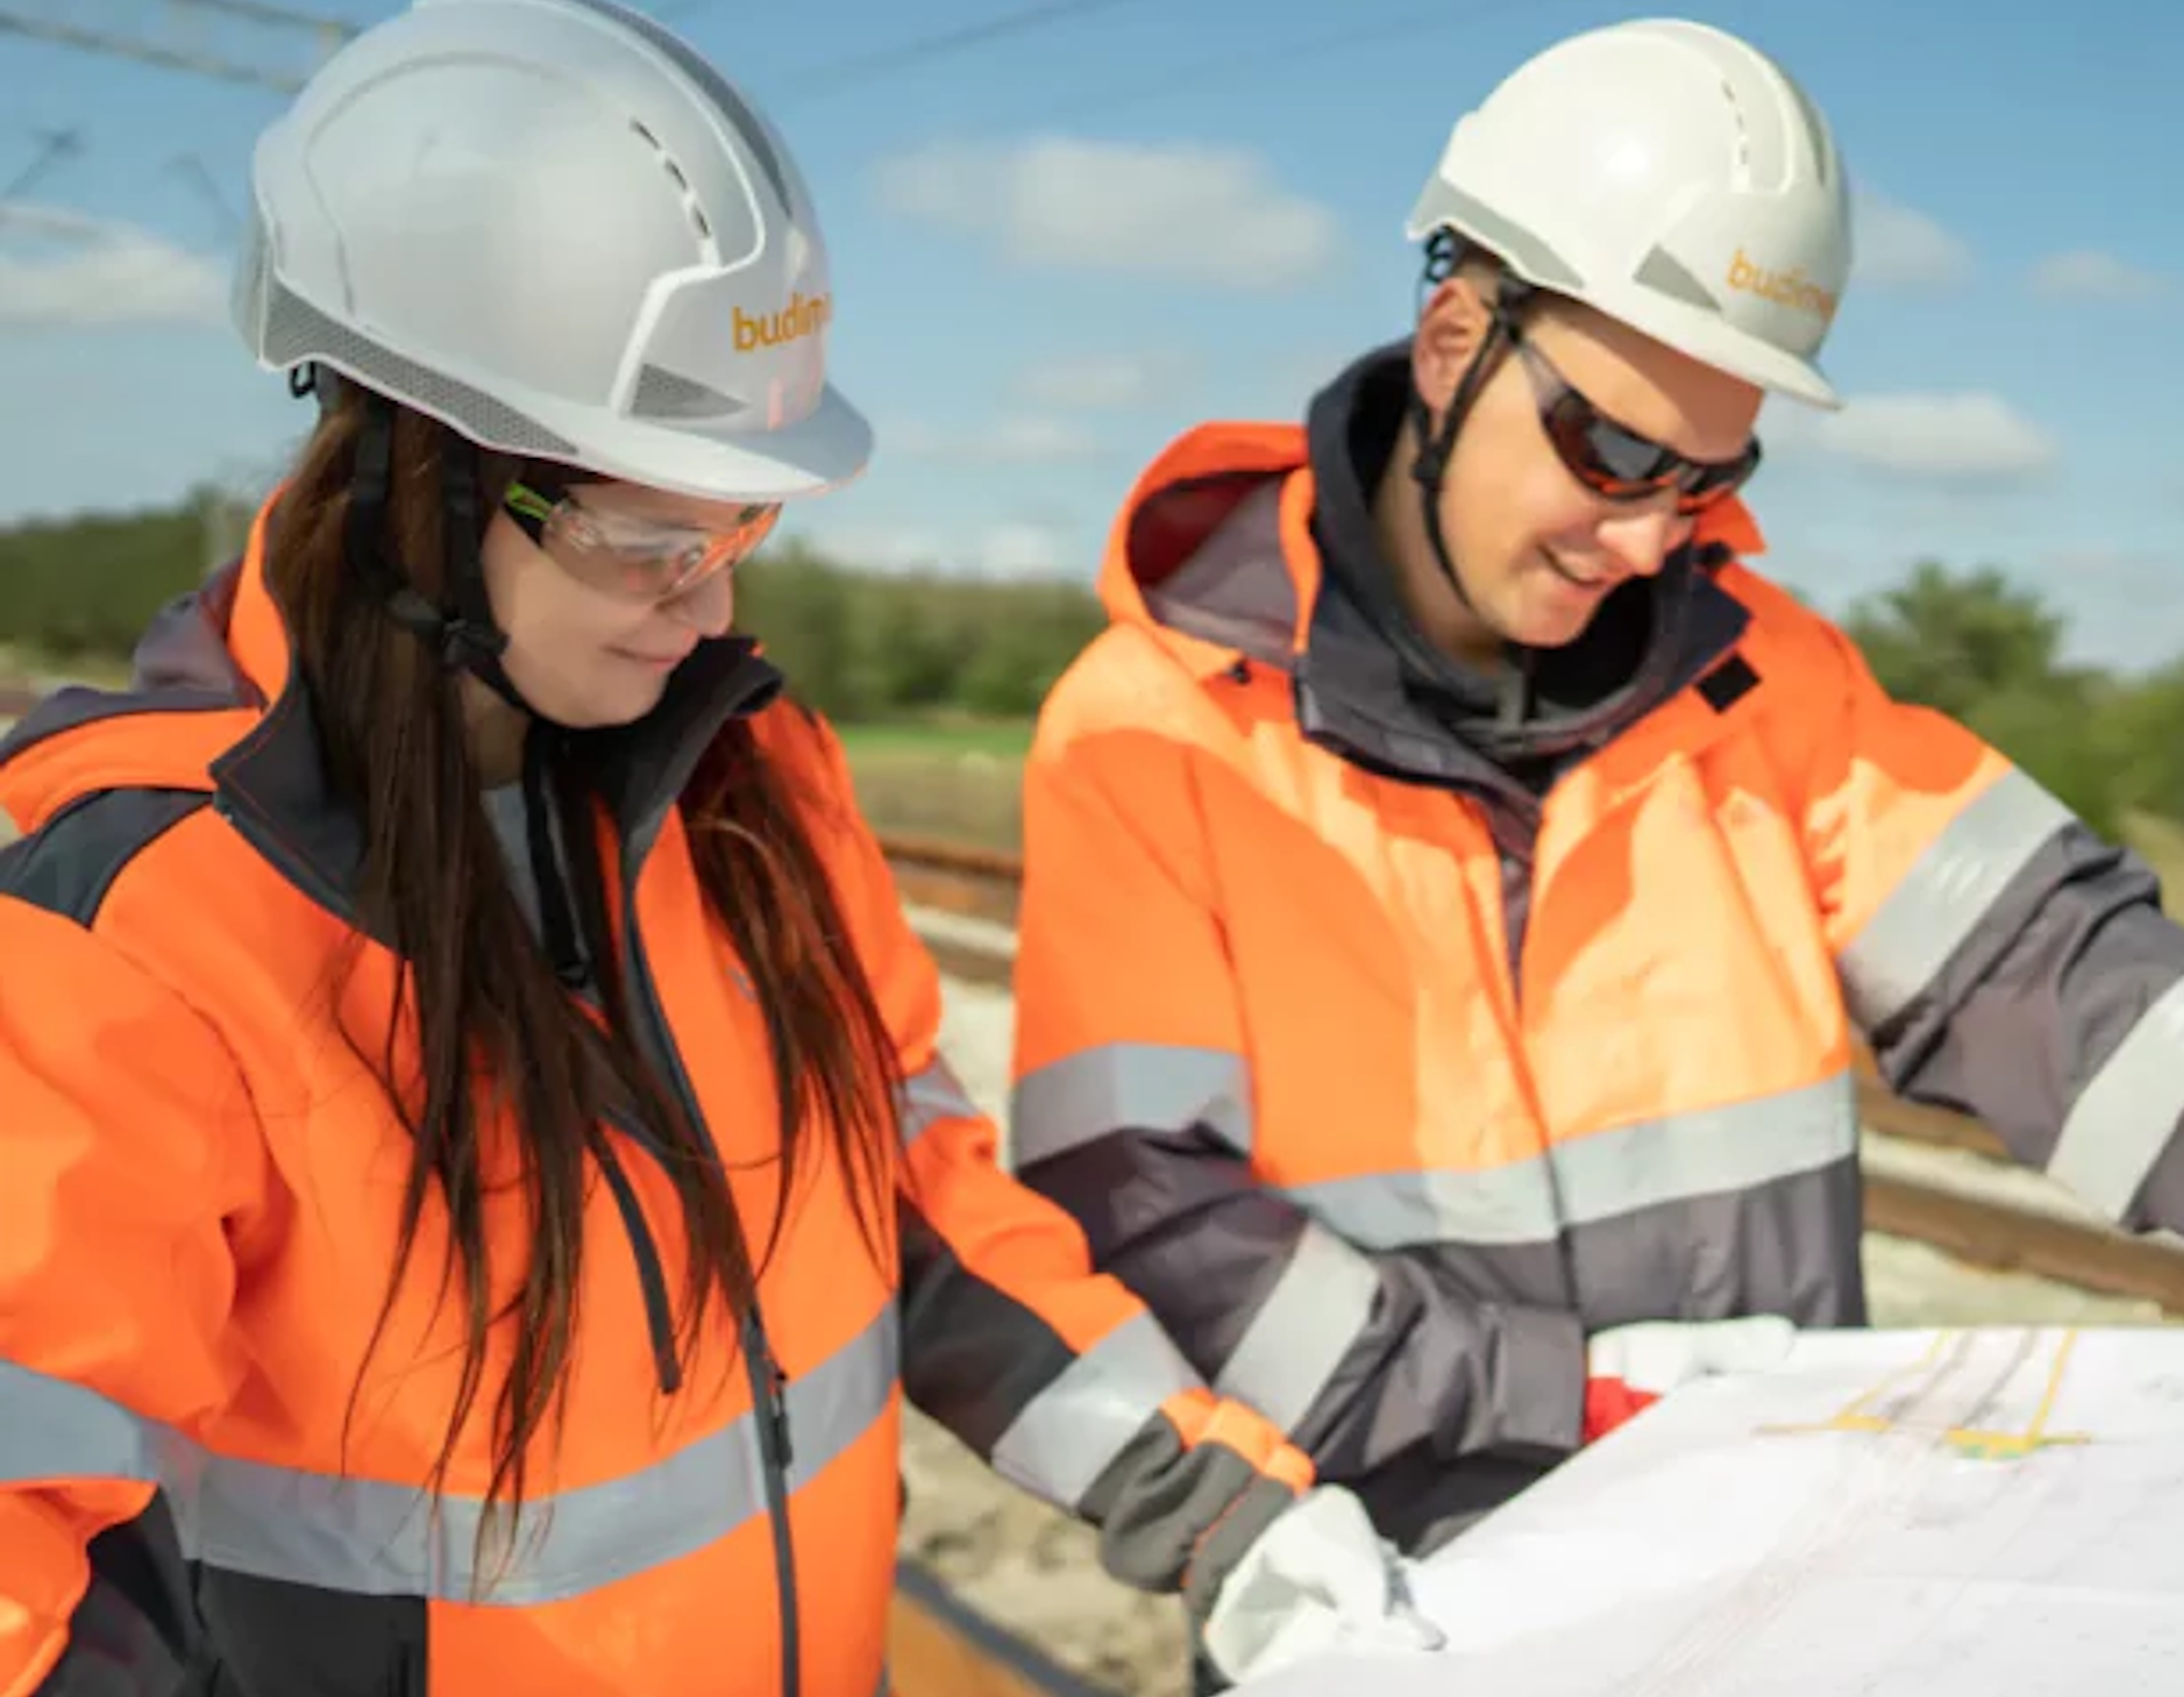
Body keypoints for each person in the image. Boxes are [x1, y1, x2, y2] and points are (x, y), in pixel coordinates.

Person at [0, 3, 1445, 1693]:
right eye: (646, 538)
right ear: (417, 479)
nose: (716, 603)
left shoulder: (755, 785)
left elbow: (916, 1202)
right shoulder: (138, 925)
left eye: (738, 523)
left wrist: (1222, 1507)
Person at [1008, 12, 2184, 1574]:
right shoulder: (1158, 733)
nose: (1650, 538)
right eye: (1608, 447)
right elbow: (1142, 1219)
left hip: (1770, 1577)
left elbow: (2064, 979)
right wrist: (1566, 1398)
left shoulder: (1771, 690)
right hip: (1391, 1607)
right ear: (1455, 340)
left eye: (1711, 476)